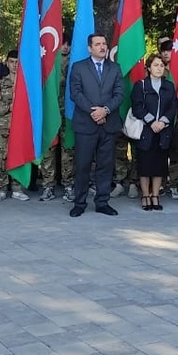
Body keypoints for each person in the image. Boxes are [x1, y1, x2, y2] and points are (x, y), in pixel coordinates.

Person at [68, 33, 124, 217]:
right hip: (86, 124)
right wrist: (94, 112)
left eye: (104, 43)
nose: (102, 47)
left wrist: (105, 110)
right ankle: (79, 203)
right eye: (98, 44)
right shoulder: (78, 67)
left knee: (105, 166)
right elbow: (75, 93)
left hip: (108, 124)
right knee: (82, 166)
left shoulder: (115, 68)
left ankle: (102, 202)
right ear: (89, 48)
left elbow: (119, 94)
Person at [129, 54, 176, 211]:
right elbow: (137, 107)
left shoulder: (169, 86)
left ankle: (155, 195)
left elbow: (172, 107)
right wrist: (152, 122)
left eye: (162, 65)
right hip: (146, 131)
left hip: (163, 131)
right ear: (148, 68)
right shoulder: (140, 85)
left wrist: (162, 121)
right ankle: (145, 195)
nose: (159, 68)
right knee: (145, 166)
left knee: (159, 166)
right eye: (155, 65)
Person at [0, 50, 29, 201]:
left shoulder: (26, 84)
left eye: (17, 62)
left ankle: (17, 188)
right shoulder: (0, 84)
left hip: (20, 127)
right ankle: (1, 188)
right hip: (3, 126)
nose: (14, 65)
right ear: (7, 63)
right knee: (1, 158)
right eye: (12, 62)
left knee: (19, 156)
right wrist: (11, 106)